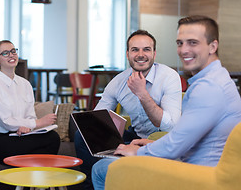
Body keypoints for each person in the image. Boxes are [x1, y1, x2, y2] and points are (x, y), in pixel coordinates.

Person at [92, 15, 241, 190]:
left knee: (100, 170)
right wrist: (152, 145)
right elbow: (186, 137)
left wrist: (138, 152)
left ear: (212, 46)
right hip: (192, 162)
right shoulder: (216, 78)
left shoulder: (209, 88)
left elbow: (175, 145)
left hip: (198, 175)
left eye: (193, 42)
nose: (184, 50)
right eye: (180, 43)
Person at [75, 30, 182, 189]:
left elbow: (170, 126)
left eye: (146, 49)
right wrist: (103, 128)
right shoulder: (119, 81)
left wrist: (142, 93)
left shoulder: (169, 77)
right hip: (134, 137)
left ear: (154, 53)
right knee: (82, 135)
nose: (141, 54)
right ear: (127, 54)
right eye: (135, 50)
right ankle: (92, 184)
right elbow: (96, 119)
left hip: (161, 141)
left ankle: (118, 167)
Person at [0, 40, 60, 163]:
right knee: (25, 149)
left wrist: (26, 127)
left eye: (13, 51)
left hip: (21, 135)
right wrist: (38, 123)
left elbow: (30, 115)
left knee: (53, 138)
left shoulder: (25, 84)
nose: (11, 55)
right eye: (5, 53)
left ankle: (27, 180)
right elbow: (5, 122)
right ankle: (22, 180)